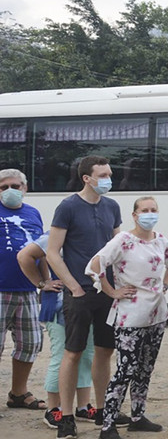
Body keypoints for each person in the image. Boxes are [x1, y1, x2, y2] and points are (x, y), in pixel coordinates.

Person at [47, 155, 128, 439]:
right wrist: (74, 286)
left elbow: (119, 248)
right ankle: (66, 416)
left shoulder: (112, 206)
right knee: (73, 352)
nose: (108, 179)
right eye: (103, 175)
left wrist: (120, 287)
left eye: (109, 174)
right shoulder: (68, 206)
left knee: (105, 352)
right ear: (86, 178)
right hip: (79, 292)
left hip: (107, 291)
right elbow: (52, 252)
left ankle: (104, 411)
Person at [86, 196, 168, 439]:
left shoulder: (161, 240)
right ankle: (108, 423)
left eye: (153, 210)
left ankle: (138, 416)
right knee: (124, 370)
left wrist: (164, 287)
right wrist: (110, 291)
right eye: (144, 210)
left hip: (156, 313)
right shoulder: (123, 240)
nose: (150, 214)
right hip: (130, 315)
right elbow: (96, 264)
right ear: (134, 215)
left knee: (145, 368)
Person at [17, 233, 96, 428]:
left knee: (87, 355)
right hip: (60, 306)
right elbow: (24, 256)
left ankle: (83, 406)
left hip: (88, 303)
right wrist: (42, 284)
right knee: (62, 356)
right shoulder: (55, 234)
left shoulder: (93, 230)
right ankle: (53, 408)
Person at [1, 169, 46, 411]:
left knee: (30, 343)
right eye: (4, 186)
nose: (10, 191)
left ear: (25, 189)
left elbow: (42, 249)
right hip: (0, 289)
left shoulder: (33, 213)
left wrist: (45, 282)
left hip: (28, 289)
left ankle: (18, 394)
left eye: (16, 186)